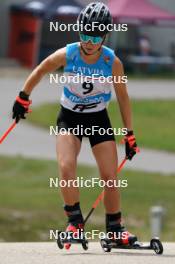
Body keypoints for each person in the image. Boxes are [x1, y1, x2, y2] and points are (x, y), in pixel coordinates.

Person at [12, 2, 138, 248]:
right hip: (70, 117)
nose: (88, 42)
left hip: (98, 119)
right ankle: (75, 223)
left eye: (94, 37)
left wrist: (129, 134)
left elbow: (123, 98)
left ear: (104, 36)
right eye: (84, 34)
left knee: (110, 177)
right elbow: (40, 70)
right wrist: (23, 96)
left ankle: (115, 229)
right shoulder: (67, 54)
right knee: (66, 167)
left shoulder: (112, 62)